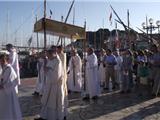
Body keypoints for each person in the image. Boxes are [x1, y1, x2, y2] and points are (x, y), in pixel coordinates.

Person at [35, 47, 65, 120]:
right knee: (46, 101)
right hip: (49, 84)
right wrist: (45, 67)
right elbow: (45, 70)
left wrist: (48, 69)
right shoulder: (50, 60)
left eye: (48, 55)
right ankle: (44, 116)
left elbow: (56, 75)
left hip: (55, 85)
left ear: (52, 54)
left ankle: (54, 117)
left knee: (53, 103)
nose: (47, 57)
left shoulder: (57, 61)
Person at [0, 53, 22, 120]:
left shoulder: (9, 69)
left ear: (7, 60)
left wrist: (3, 86)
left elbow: (13, 81)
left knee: (10, 107)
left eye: (3, 61)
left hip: (8, 92)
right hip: (3, 92)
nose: (1, 62)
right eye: (0, 61)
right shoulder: (3, 68)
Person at [57, 45, 68, 119]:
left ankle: (62, 112)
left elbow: (60, 65)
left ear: (61, 49)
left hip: (62, 76)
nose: (57, 51)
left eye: (59, 49)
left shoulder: (63, 55)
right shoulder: (58, 55)